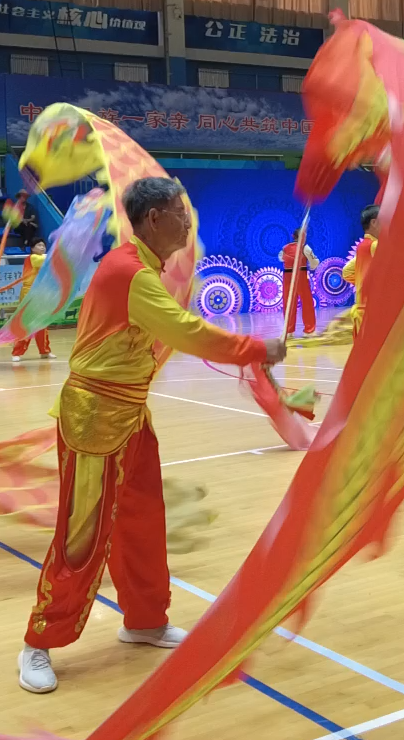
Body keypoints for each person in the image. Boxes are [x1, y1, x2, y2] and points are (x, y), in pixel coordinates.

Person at [19, 177, 283, 695]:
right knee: (81, 536)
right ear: (154, 218)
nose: (188, 222)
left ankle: (144, 621)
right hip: (95, 420)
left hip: (130, 415)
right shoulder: (129, 272)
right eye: (181, 213)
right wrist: (256, 348)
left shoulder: (138, 268)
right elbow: (186, 330)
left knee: (142, 523)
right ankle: (38, 641)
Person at [7, 241, 52, 361]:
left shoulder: (42, 259)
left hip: (41, 293)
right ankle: (17, 352)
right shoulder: (33, 258)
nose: (42, 247)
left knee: (42, 323)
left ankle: (44, 351)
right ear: (32, 248)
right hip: (29, 293)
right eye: (39, 245)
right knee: (27, 324)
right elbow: (49, 260)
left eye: (43, 246)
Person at [280, 225, 320, 335]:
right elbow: (315, 261)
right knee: (307, 302)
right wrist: (312, 267)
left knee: (289, 303)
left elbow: (281, 258)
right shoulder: (305, 247)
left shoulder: (285, 248)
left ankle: (289, 331)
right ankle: (309, 330)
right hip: (300, 276)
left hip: (288, 277)